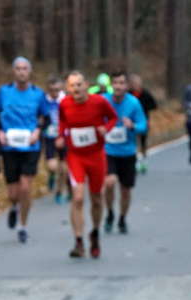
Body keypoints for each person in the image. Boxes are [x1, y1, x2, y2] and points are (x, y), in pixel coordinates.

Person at [57, 71, 118, 259]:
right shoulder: (65, 104)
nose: (76, 88)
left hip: (96, 156)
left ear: (86, 85)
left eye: (79, 84)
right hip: (76, 156)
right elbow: (62, 121)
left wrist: (105, 129)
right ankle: (78, 241)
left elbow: (113, 118)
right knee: (77, 197)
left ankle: (95, 233)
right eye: (72, 85)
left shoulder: (99, 102)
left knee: (97, 198)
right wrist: (61, 135)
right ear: (68, 89)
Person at [0, 57, 49, 244]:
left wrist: (37, 132)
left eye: (25, 68)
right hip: (9, 146)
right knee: (13, 193)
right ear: (13, 72)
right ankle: (14, 207)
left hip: (30, 146)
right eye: (18, 68)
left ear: (29, 72)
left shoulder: (38, 94)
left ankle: (22, 226)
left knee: (25, 188)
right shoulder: (4, 92)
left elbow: (45, 117)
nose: (21, 72)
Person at [103, 70, 147, 235]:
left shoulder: (134, 103)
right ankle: (109, 213)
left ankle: (122, 218)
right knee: (109, 183)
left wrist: (133, 126)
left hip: (128, 152)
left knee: (125, 190)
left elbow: (144, 126)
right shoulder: (104, 101)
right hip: (109, 150)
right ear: (111, 85)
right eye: (115, 83)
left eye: (121, 83)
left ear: (127, 86)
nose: (118, 86)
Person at [42, 75, 69, 204]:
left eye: (57, 90)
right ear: (48, 89)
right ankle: (52, 175)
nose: (54, 93)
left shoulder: (67, 100)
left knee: (64, 169)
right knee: (52, 166)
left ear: (61, 88)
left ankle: (59, 192)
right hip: (49, 138)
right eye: (52, 90)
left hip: (64, 137)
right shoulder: (43, 101)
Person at [128, 74, 157, 174]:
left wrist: (146, 111)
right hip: (132, 122)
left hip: (143, 121)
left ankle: (144, 161)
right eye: (133, 83)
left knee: (143, 142)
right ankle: (135, 162)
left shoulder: (145, 94)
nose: (135, 85)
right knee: (133, 141)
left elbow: (154, 105)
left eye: (137, 83)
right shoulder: (128, 94)